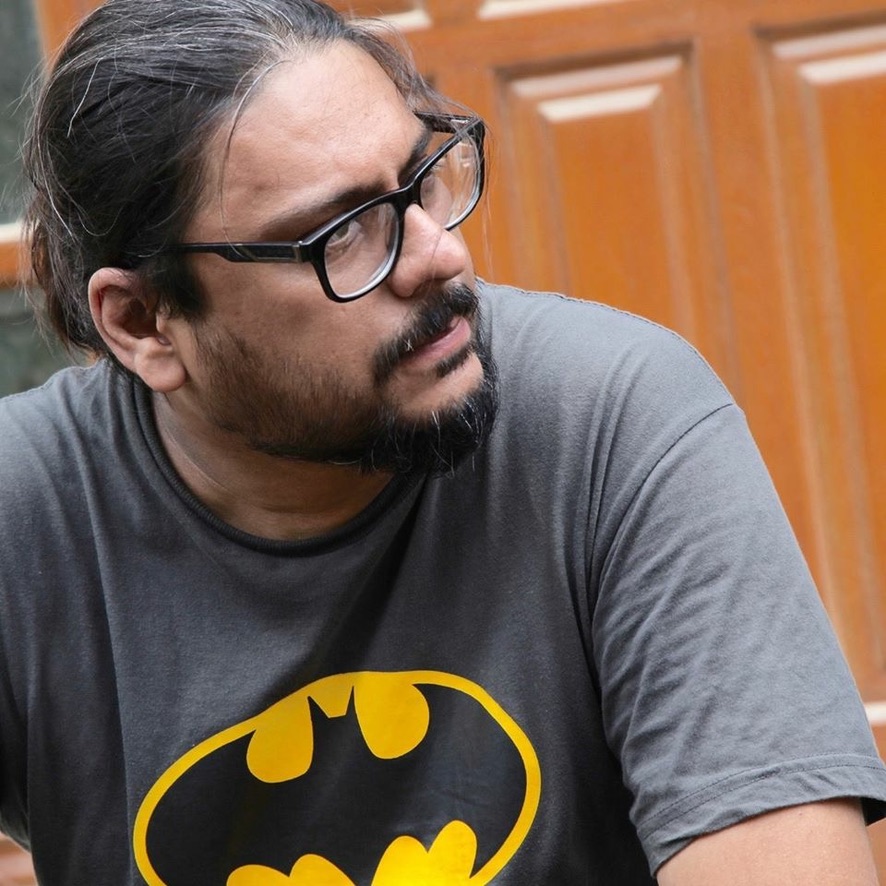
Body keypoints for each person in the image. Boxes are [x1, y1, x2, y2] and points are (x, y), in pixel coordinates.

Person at [1, 0, 885, 883]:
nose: (441, 256)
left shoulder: (609, 421)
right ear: (144, 321)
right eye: (342, 233)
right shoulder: (24, 517)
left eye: (421, 179)